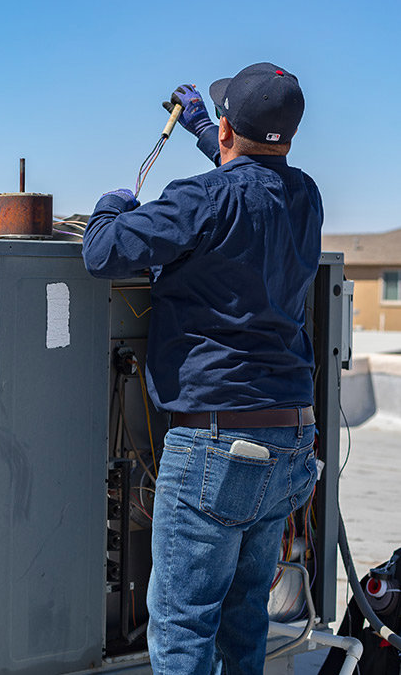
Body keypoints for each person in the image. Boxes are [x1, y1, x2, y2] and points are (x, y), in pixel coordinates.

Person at [82, 63, 323, 675]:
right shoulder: (305, 197)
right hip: (289, 442)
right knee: (244, 620)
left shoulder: (202, 197)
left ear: (225, 130)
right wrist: (203, 130)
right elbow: (251, 186)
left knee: (184, 626)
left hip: (217, 447)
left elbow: (102, 251)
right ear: (288, 135)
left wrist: (111, 205)